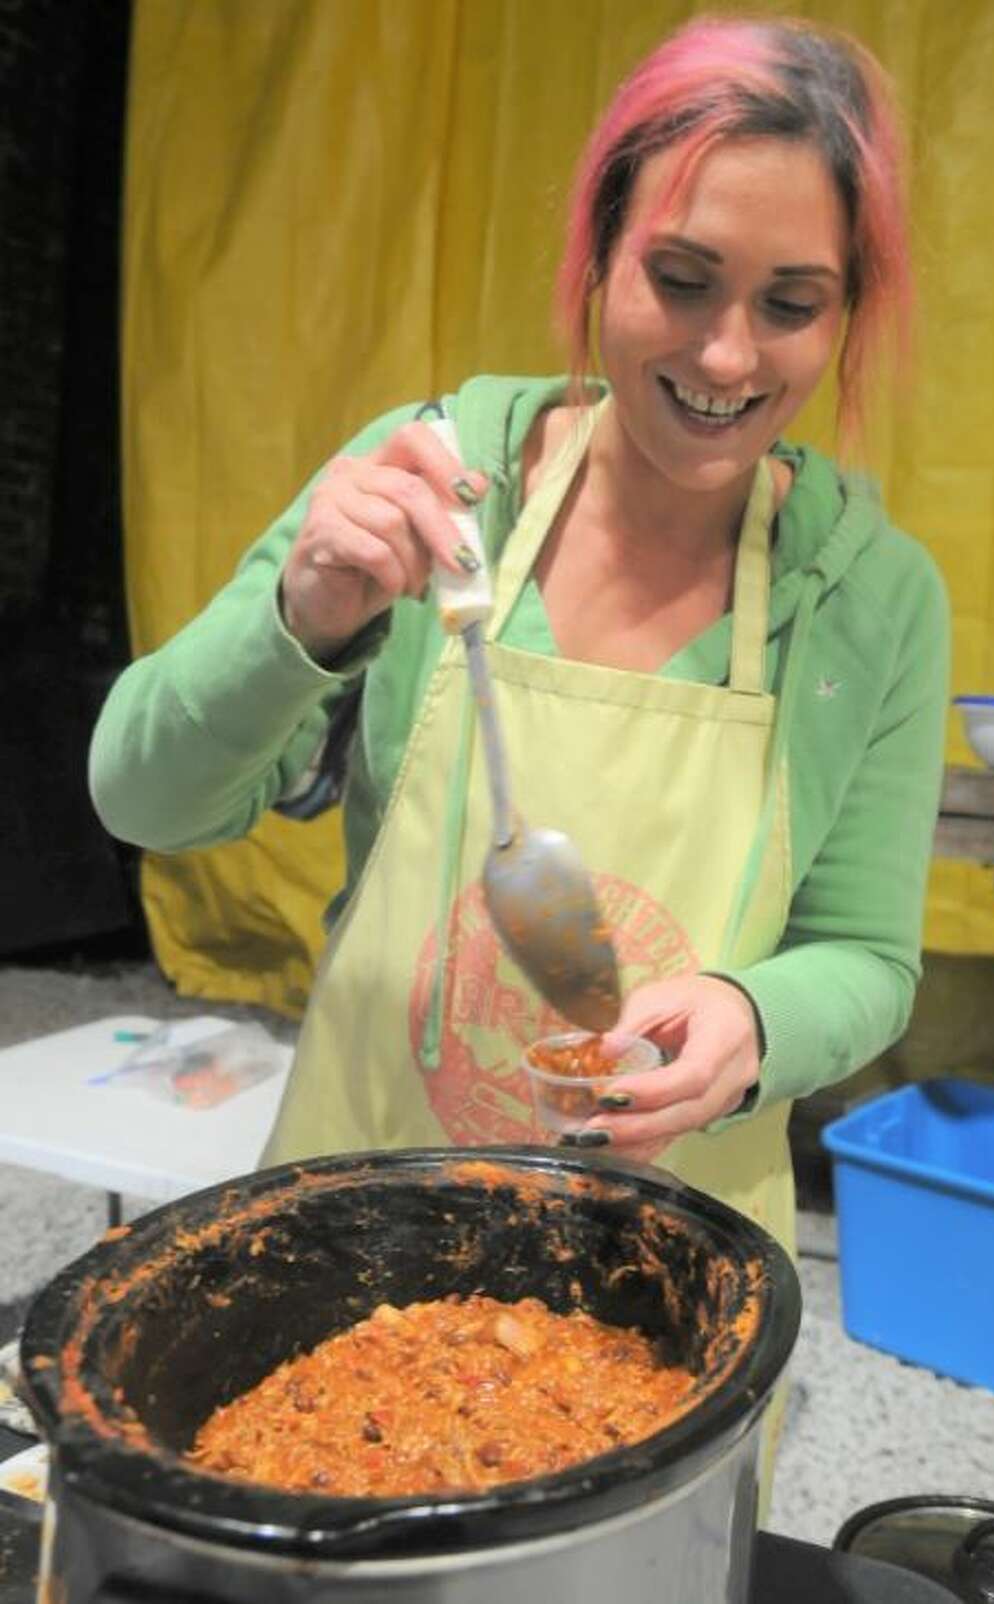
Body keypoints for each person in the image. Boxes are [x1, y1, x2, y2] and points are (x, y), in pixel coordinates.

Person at [92, 15, 946, 1320]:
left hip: (664, 1272)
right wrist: (302, 614)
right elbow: (142, 799)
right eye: (681, 278)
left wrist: (754, 1016)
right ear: (598, 255)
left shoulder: (870, 597)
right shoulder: (434, 487)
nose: (727, 357)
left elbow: (868, 955)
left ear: (846, 315)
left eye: (790, 305)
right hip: (357, 1235)